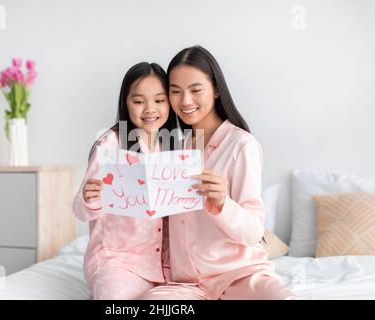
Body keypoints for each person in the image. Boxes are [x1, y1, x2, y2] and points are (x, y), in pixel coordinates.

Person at [139, 46, 297, 300]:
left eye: (195, 90)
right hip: (187, 285)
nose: (185, 101)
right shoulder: (175, 152)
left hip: (239, 276)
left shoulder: (241, 145)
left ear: (215, 90)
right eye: (175, 92)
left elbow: (254, 231)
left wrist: (223, 203)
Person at [72, 62, 178, 299]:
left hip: (166, 268)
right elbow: (80, 211)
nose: (150, 109)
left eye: (160, 101)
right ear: (126, 103)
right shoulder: (110, 144)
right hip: (118, 262)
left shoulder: (175, 147)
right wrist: (90, 198)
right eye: (139, 101)